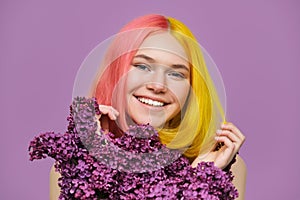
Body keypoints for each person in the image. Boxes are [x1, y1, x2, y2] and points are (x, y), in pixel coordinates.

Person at [49, 14, 246, 199]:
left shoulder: (221, 166)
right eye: (143, 66)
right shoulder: (74, 166)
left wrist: (201, 176)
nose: (158, 85)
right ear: (116, 73)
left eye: (176, 74)